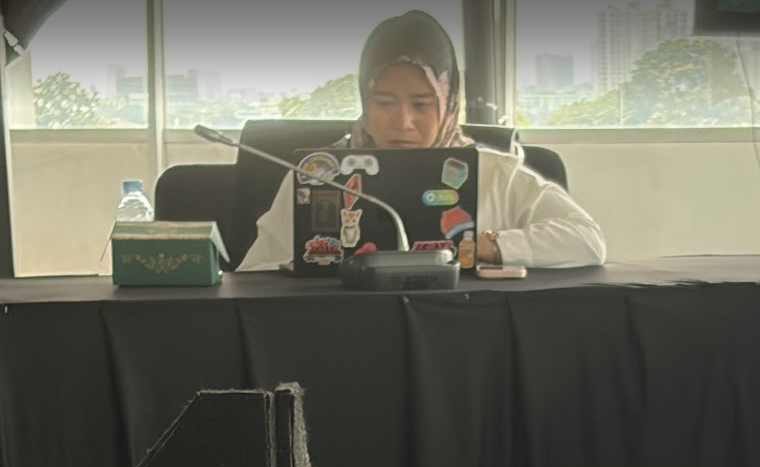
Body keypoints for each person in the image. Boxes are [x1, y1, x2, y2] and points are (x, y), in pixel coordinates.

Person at [239, 11, 605, 272]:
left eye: (421, 104)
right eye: (385, 103)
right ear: (364, 101)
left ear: (449, 104)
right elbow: (255, 273)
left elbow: (587, 239)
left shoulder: (495, 173)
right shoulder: (318, 176)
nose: (403, 122)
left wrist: (486, 246)